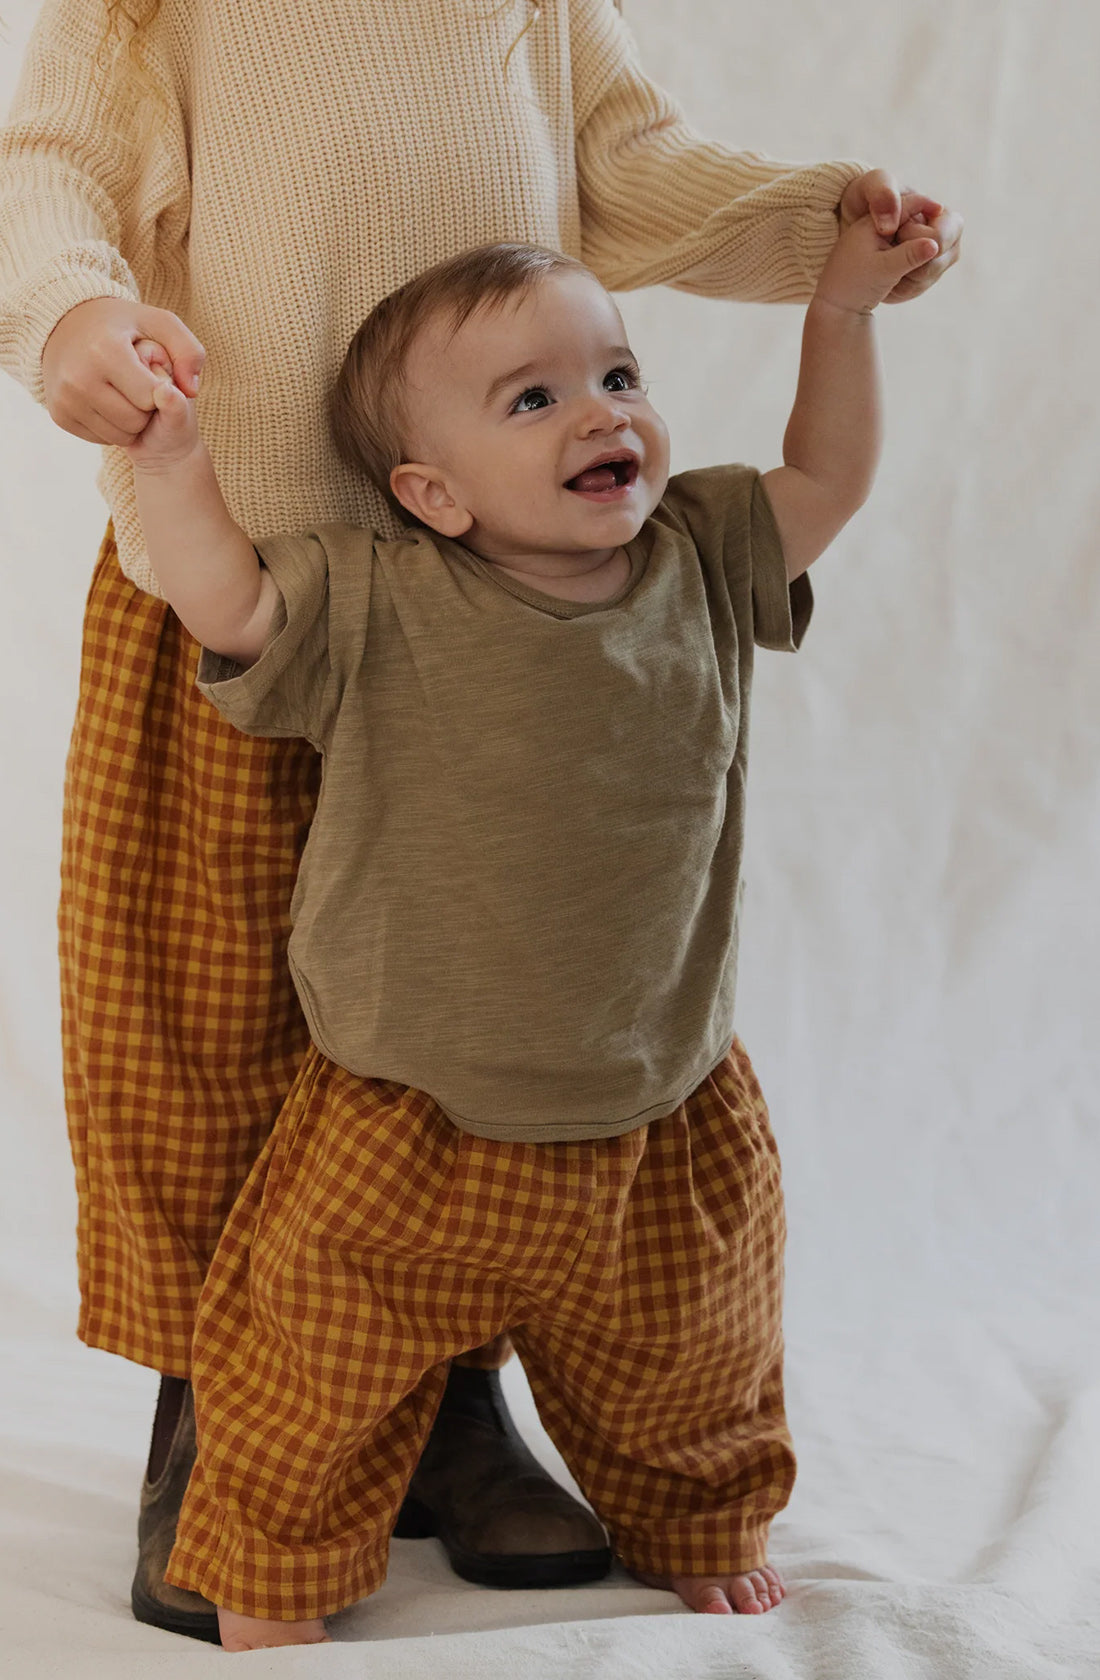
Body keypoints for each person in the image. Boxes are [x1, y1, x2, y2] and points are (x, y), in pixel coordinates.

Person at [0, 0, 961, 1642]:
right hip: (242, 570)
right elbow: (49, 170)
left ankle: (447, 1400)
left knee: (470, 1026)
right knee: (212, 1027)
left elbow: (628, 168)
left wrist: (822, 230)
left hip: (497, 592)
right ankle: (215, 1420)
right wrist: (76, 310)